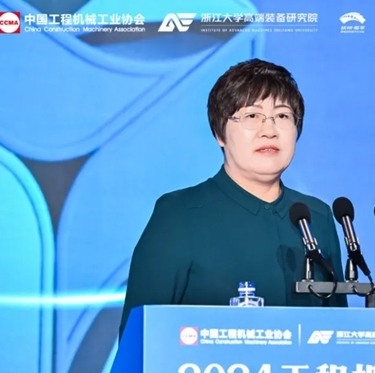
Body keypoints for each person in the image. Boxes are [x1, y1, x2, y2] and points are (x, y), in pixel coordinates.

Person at [119, 59, 347, 337]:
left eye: (282, 116)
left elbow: (339, 337)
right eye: (252, 116)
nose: (269, 130)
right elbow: (139, 340)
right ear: (219, 133)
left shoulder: (316, 217)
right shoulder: (180, 215)